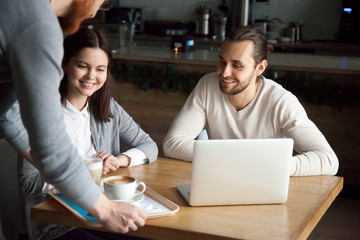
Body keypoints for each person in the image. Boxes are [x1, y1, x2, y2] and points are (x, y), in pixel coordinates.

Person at [0, 0, 146, 234]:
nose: (97, 10)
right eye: (102, 1)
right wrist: (106, 209)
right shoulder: (39, 27)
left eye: (100, 68)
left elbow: (6, 116)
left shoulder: (20, 9)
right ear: (66, 65)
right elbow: (51, 150)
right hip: (57, 224)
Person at [162, 26, 339, 176]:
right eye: (222, 62)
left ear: (260, 68)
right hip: (222, 179)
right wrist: (240, 158)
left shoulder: (281, 101)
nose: (224, 73)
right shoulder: (207, 86)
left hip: (266, 185)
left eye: (237, 66)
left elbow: (328, 160)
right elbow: (172, 144)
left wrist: (268, 166)